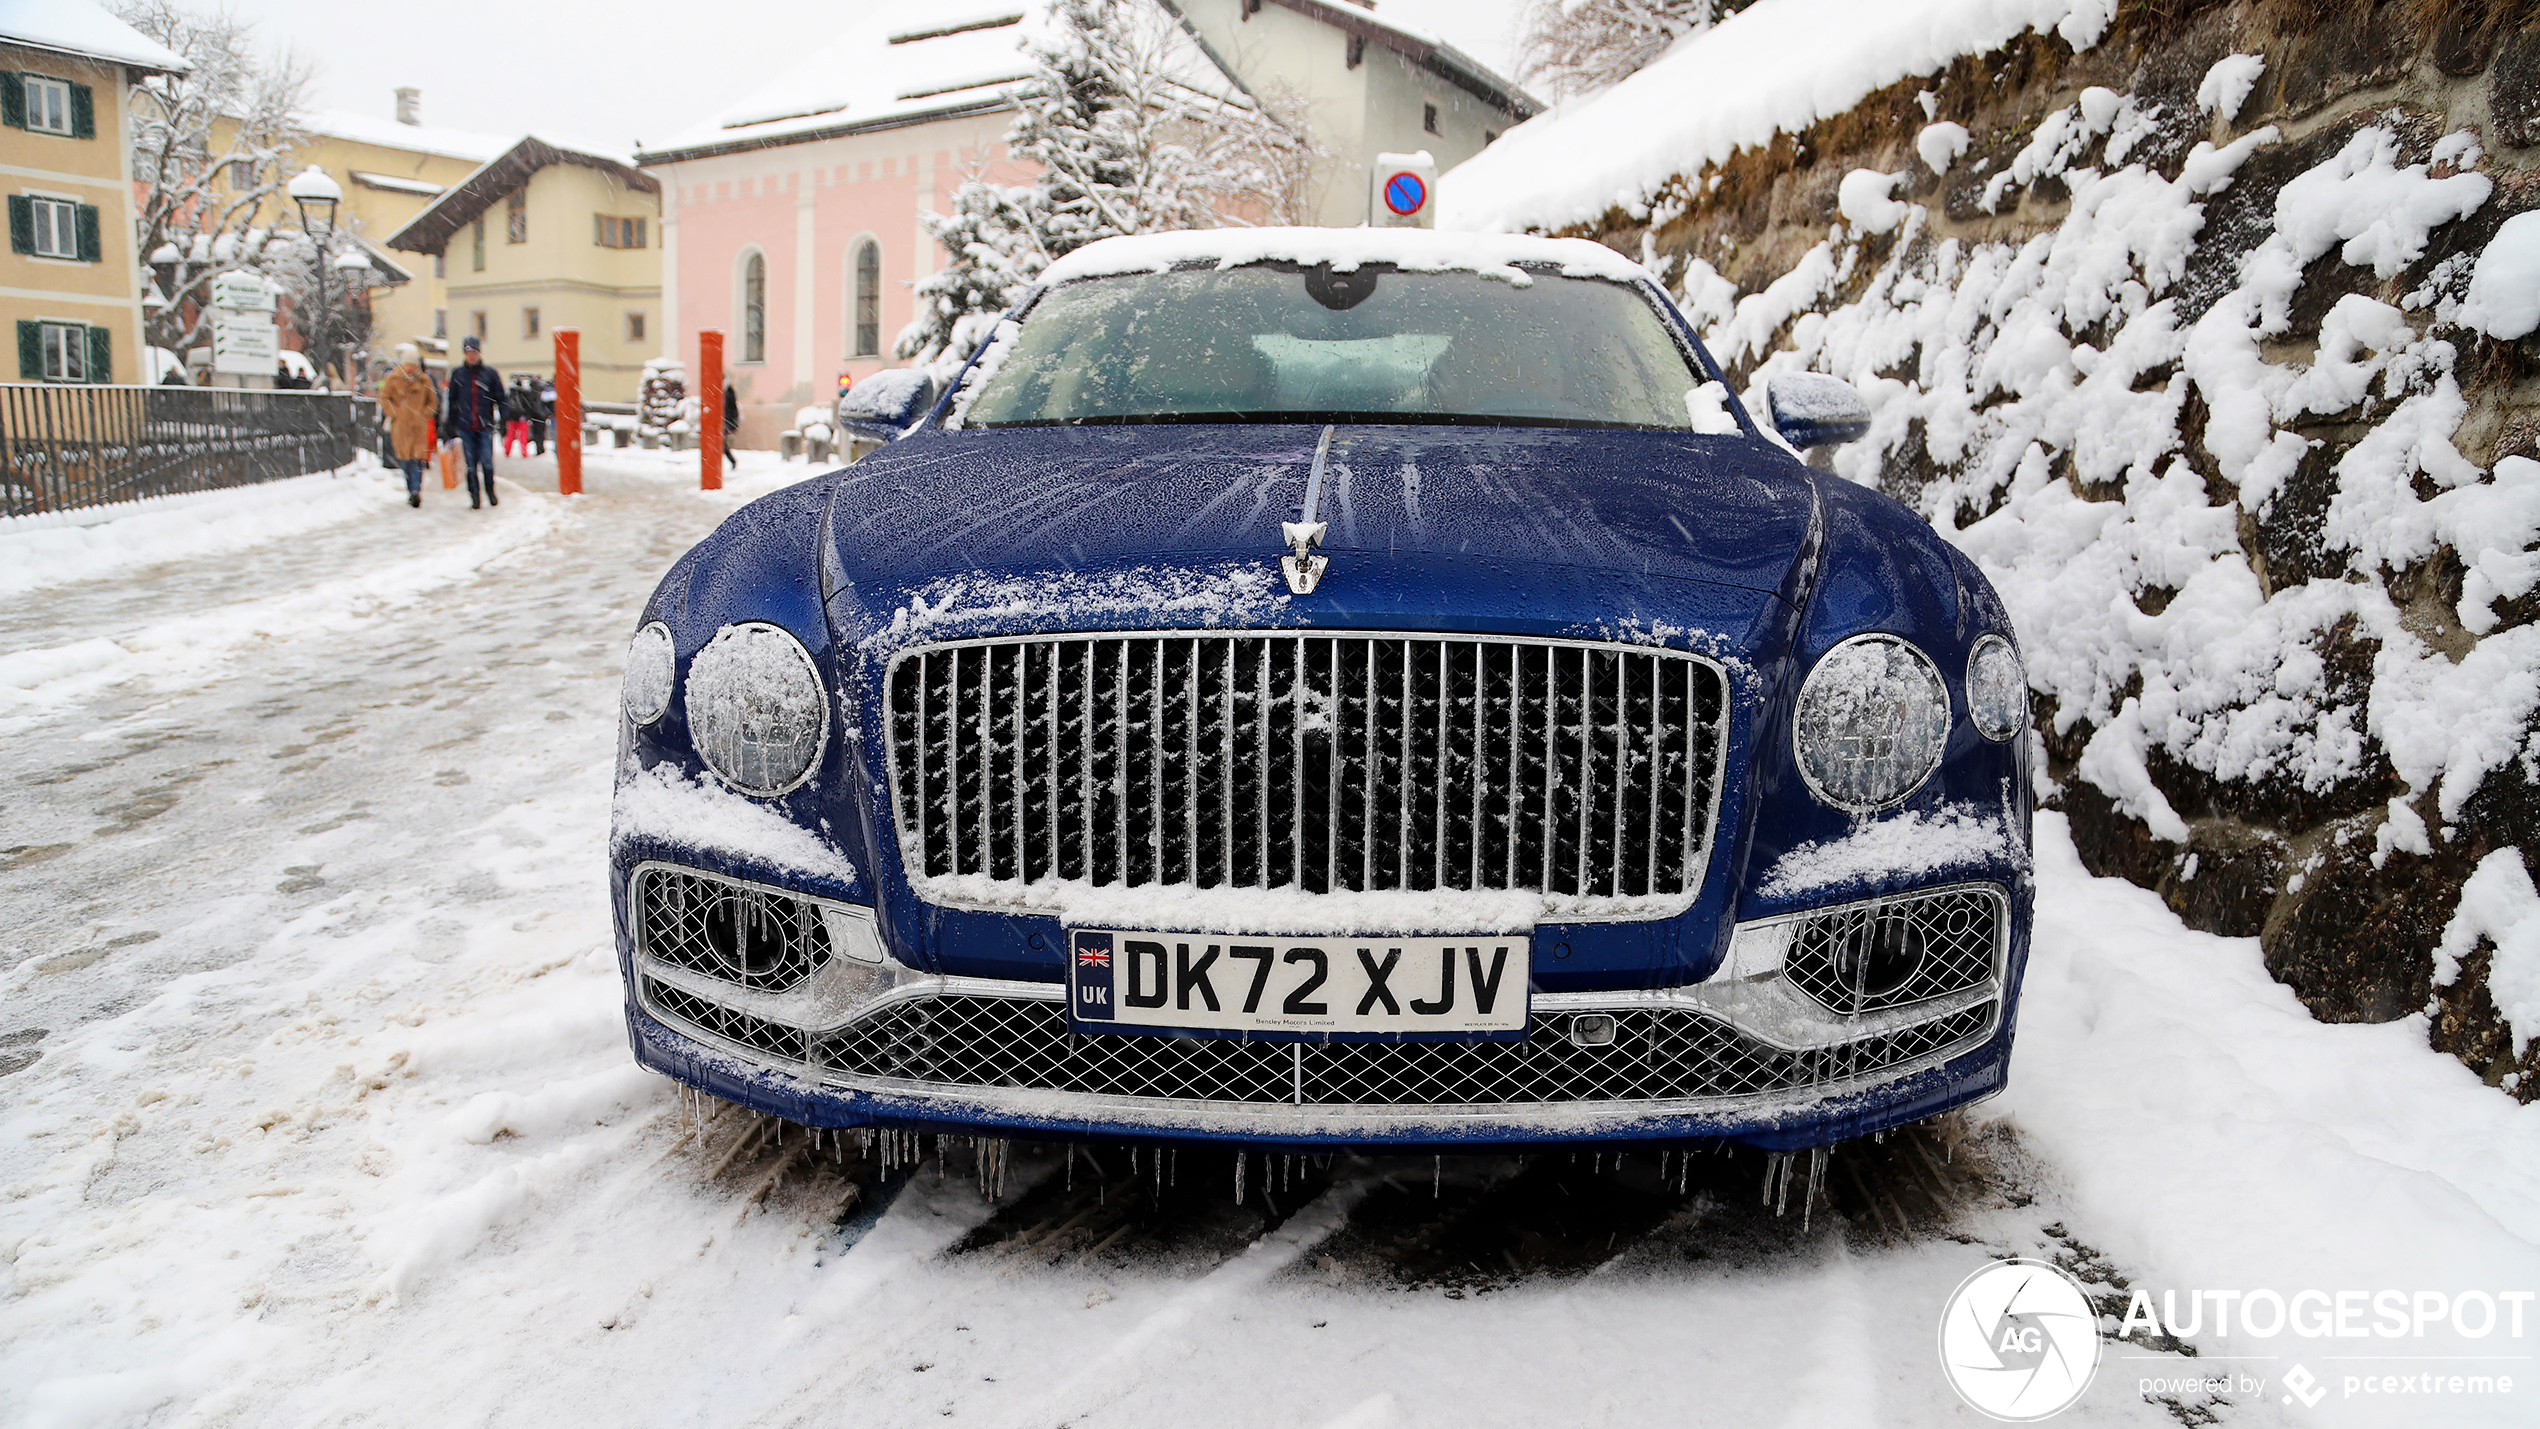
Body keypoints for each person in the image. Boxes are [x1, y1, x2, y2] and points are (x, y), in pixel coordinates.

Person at [442, 335, 507, 508]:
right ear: (464, 353)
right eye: (469, 352)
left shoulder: (490, 374)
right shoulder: (458, 374)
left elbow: (500, 398)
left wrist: (504, 419)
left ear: (479, 353)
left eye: (474, 352)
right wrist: (450, 423)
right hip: (466, 425)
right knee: (470, 464)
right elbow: (453, 400)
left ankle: (490, 490)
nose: (472, 355)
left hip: (485, 424)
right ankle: (475, 496)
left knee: (486, 461)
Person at [377, 344, 440, 509]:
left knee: (418, 459)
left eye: (413, 365)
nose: (410, 368)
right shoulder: (392, 379)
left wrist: (424, 413)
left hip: (419, 426)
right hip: (401, 426)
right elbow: (384, 398)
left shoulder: (424, 380)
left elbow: (433, 402)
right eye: (408, 364)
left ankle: (415, 491)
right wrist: (395, 413)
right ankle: (410, 488)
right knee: (405, 460)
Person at [502, 374, 535, 458]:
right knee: (523, 436)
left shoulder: (509, 393)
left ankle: (507, 451)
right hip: (522, 417)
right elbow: (528, 405)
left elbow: (504, 405)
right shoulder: (524, 393)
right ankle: (524, 452)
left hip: (511, 417)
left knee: (510, 435)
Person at [533, 377, 555, 455]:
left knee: (538, 433)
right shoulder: (546, 390)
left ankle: (540, 449)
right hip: (546, 415)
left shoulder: (542, 390)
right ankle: (541, 448)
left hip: (538, 415)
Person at [721, 379, 740, 470]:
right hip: (726, 421)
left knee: (721, 444)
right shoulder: (727, 390)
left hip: (726, 421)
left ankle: (732, 461)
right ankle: (732, 461)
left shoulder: (727, 391)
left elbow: (730, 408)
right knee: (721, 443)